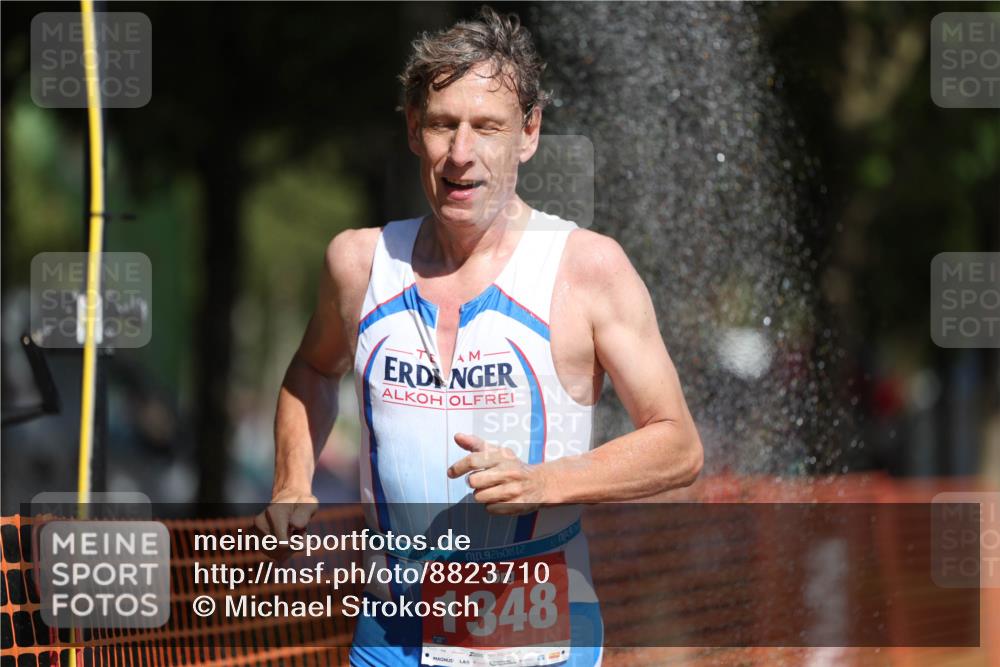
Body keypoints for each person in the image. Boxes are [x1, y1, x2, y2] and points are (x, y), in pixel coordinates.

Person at [257, 6, 703, 666]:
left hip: (534, 623)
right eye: (443, 125)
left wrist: (548, 481)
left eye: (486, 127)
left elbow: (679, 443)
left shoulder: (587, 268)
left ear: (528, 133)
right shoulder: (358, 263)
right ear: (414, 129)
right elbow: (312, 371)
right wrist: (293, 482)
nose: (461, 154)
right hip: (392, 624)